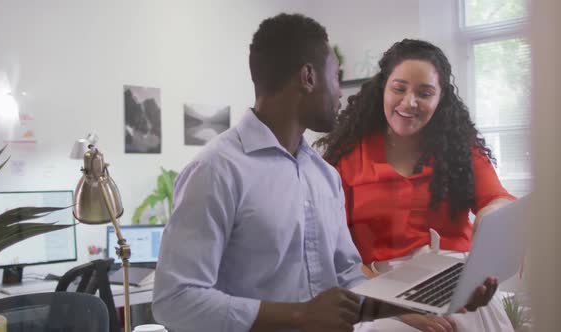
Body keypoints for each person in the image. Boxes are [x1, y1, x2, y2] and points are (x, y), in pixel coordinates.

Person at [152, 16, 495, 332]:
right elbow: (175, 301)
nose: (341, 96)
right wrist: (300, 315)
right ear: (308, 77)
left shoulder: (323, 175)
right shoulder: (216, 171)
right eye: (336, 77)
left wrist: (427, 304)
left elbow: (348, 280)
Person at [315, 39, 515, 330]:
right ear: (383, 88)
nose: (410, 102)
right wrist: (397, 309)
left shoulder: (460, 147)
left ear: (440, 98)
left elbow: (497, 199)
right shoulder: (345, 159)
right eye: (399, 89)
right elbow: (335, 253)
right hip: (379, 292)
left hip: (456, 281)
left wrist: (493, 215)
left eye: (425, 93)